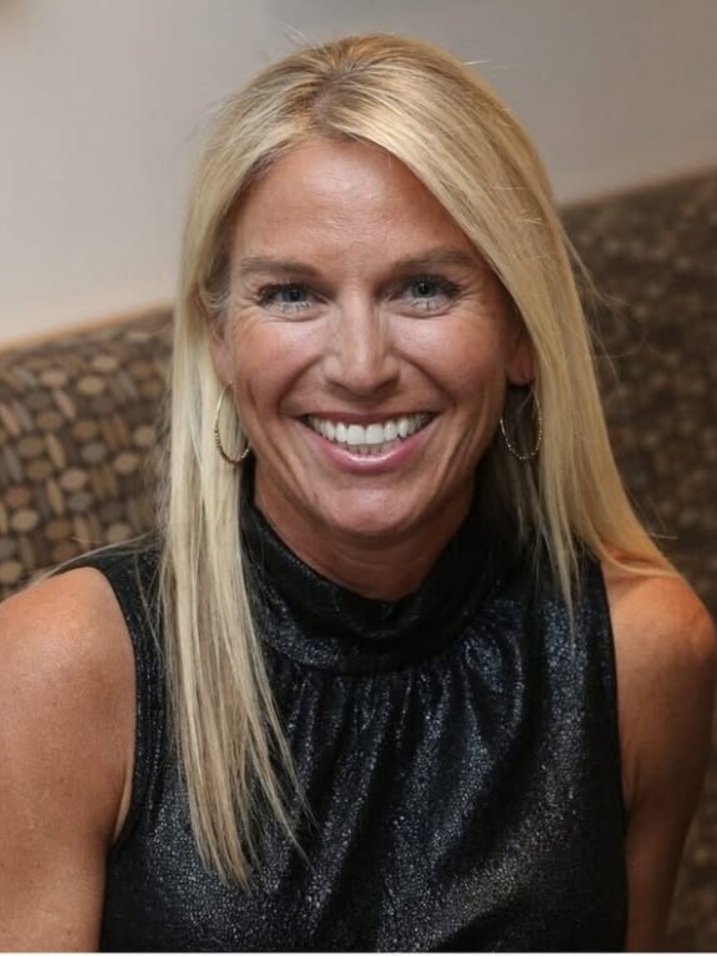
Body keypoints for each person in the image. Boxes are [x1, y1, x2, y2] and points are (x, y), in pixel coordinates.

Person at [0, 33, 714, 952]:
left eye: (423, 288)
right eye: (291, 295)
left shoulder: (642, 656)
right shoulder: (60, 671)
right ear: (220, 341)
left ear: (520, 333)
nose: (362, 366)